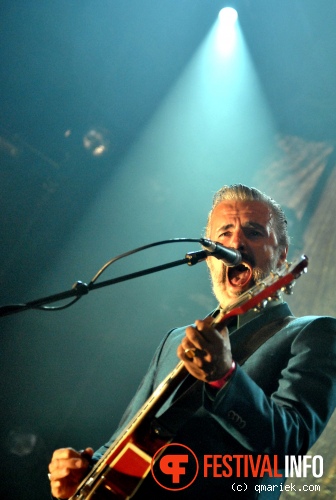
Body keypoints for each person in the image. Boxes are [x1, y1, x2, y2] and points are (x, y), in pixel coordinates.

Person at [49, 184, 336, 499]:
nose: (235, 242)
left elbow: (289, 445)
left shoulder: (314, 334)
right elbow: (126, 440)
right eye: (223, 234)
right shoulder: (175, 338)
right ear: (209, 258)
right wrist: (84, 470)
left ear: (282, 258)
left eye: (254, 233)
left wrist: (225, 377)